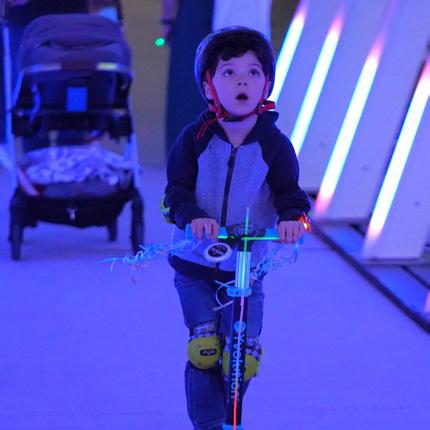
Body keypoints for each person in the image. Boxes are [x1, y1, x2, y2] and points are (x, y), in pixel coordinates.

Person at [162, 27, 311, 429]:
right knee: (205, 349)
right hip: (195, 263)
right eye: (228, 72)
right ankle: (208, 424)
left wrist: (291, 219)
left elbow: (290, 193)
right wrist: (192, 216)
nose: (241, 81)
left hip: (247, 267)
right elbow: (175, 191)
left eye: (252, 72)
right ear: (208, 86)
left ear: (266, 84)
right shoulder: (194, 139)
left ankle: (231, 416)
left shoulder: (274, 144)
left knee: (241, 355)